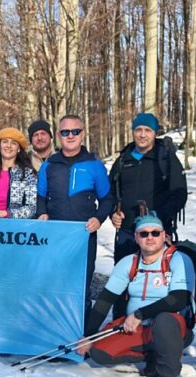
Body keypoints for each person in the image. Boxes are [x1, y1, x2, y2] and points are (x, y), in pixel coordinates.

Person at [77, 212, 195, 377]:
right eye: (144, 234)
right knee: (99, 352)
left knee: (163, 320)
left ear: (164, 235)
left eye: (155, 233)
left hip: (172, 327)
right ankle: (156, 356)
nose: (150, 238)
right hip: (140, 328)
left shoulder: (178, 259)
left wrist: (140, 313)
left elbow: (179, 299)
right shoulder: (129, 262)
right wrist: (89, 335)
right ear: (136, 238)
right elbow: (105, 300)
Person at [37, 115, 115, 326]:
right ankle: (54, 333)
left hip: (84, 236)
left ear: (83, 133)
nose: (70, 136)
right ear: (58, 135)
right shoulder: (49, 165)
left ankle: (82, 335)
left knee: (81, 287)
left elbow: (107, 199)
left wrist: (99, 218)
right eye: (65, 132)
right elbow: (41, 197)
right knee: (55, 285)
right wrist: (42, 213)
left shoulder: (94, 165)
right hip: (55, 236)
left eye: (75, 131)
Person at [108, 113, 187, 264]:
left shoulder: (165, 158)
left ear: (155, 133)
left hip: (156, 234)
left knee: (155, 277)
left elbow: (179, 193)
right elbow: (110, 192)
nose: (142, 135)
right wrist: (113, 213)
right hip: (127, 234)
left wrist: (159, 216)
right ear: (133, 132)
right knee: (124, 276)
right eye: (138, 130)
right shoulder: (123, 160)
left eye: (148, 130)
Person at [0, 128, 37, 219]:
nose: (8, 146)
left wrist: (6, 213)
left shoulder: (27, 174)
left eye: (14, 143)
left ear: (18, 149)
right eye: (5, 141)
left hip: (13, 226)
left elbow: (32, 208)